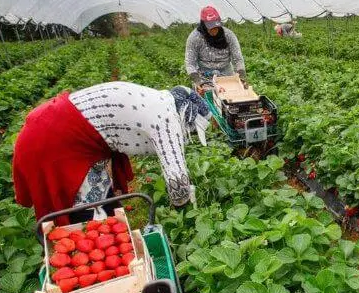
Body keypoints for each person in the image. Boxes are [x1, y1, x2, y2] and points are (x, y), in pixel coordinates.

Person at [13, 82, 212, 224]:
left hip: (57, 123)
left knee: (101, 194)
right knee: (86, 205)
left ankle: (108, 227)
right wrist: (186, 215)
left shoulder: (160, 100)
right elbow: (176, 178)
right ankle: (91, 243)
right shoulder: (167, 120)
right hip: (54, 138)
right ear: (186, 117)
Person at [185, 6, 247, 91]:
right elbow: (190, 63)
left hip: (227, 77)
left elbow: (238, 59)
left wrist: (241, 77)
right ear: (203, 25)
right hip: (204, 79)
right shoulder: (195, 38)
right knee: (206, 100)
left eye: (216, 26)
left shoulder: (228, 35)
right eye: (211, 27)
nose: (214, 30)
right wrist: (197, 82)